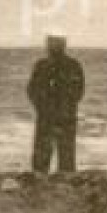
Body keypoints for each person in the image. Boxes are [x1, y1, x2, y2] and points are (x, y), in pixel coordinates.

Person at [27, 32, 84, 173]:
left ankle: (63, 182)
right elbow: (31, 89)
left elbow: (78, 90)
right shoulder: (41, 65)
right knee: (41, 158)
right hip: (48, 114)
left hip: (64, 115)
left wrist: (66, 107)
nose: (50, 47)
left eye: (54, 44)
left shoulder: (73, 65)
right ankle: (41, 179)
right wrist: (41, 106)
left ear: (63, 46)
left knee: (66, 158)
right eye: (50, 43)